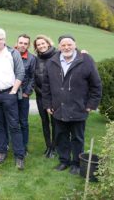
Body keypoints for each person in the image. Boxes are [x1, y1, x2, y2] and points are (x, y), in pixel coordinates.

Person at [42, 35, 102, 175]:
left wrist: (91, 104)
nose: (66, 47)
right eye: (63, 45)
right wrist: (47, 104)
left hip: (78, 108)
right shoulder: (52, 62)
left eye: (69, 44)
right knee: (61, 136)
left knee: (77, 138)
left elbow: (96, 85)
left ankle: (76, 163)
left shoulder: (86, 60)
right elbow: (46, 86)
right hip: (58, 107)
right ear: (59, 46)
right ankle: (64, 161)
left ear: (75, 45)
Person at [0, 28, 26, 170]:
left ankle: (19, 156)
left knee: (14, 125)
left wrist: (14, 90)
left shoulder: (13, 53)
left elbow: (21, 72)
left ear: (5, 39)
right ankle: (2, 151)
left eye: (0, 39)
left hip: (9, 94)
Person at [33, 35, 57, 158]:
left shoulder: (57, 56)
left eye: (43, 43)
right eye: (38, 45)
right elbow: (33, 78)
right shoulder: (36, 59)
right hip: (40, 96)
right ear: (36, 48)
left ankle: (54, 147)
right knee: (44, 122)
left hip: (54, 97)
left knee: (55, 123)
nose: (41, 46)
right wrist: (40, 92)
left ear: (48, 43)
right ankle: (48, 146)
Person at [15, 34, 36, 154]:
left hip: (23, 95)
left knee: (23, 121)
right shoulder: (10, 55)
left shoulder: (32, 59)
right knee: (12, 121)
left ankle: (24, 145)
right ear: (17, 43)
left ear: (28, 45)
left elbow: (33, 78)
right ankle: (12, 144)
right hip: (10, 94)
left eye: (25, 43)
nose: (22, 45)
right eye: (20, 42)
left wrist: (27, 93)